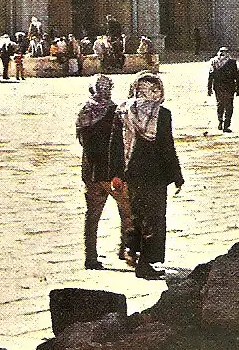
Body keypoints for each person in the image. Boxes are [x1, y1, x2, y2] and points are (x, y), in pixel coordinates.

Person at [109, 72, 183, 280]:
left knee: (136, 214)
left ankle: (131, 251)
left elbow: (115, 145)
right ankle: (146, 265)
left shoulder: (123, 111)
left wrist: (115, 174)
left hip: (131, 172)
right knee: (155, 219)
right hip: (155, 175)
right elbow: (167, 148)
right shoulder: (162, 114)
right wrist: (177, 176)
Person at [76, 75, 132, 269]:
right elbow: (120, 144)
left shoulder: (84, 111)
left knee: (92, 216)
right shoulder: (115, 112)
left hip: (91, 174)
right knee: (127, 213)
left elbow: (83, 143)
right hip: (111, 174)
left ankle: (90, 257)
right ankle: (125, 251)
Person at [207, 46, 238, 132]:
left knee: (220, 104)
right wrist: (238, 88)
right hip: (229, 87)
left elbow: (211, 76)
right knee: (229, 106)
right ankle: (226, 125)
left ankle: (220, 121)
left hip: (218, 86)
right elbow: (236, 75)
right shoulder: (232, 62)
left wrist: (209, 88)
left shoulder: (214, 62)